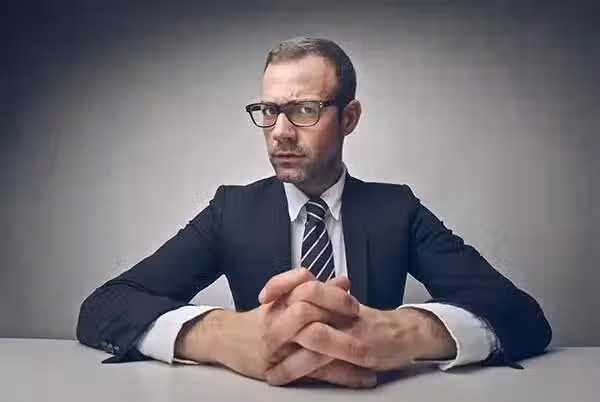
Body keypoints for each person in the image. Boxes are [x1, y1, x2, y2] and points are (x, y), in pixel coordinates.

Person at [76, 37, 551, 388]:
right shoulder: (231, 211)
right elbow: (104, 307)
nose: (280, 131)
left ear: (349, 118)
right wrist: (223, 336)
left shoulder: (397, 210)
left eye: (304, 110)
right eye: (268, 110)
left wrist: (404, 333)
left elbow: (522, 316)